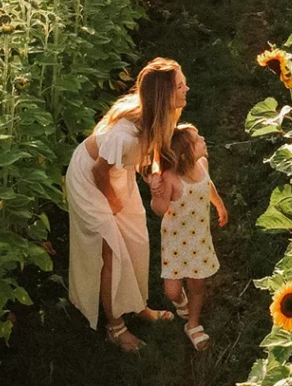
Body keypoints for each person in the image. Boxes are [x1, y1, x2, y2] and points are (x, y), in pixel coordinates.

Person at [66, 57, 188, 352]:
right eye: (181, 85)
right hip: (89, 181)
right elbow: (98, 172)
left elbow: (152, 150)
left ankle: (138, 306)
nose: (187, 89)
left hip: (115, 176)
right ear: (164, 97)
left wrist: (153, 172)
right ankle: (115, 327)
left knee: (136, 240)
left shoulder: (158, 118)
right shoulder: (124, 136)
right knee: (112, 251)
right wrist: (112, 202)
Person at [150, 123, 228, 351]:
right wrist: (156, 193)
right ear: (185, 154)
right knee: (171, 291)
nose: (203, 138)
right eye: (197, 139)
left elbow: (209, 186)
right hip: (175, 241)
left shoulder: (202, 164)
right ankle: (181, 302)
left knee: (197, 284)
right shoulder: (171, 179)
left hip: (199, 239)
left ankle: (193, 323)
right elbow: (160, 209)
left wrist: (219, 206)